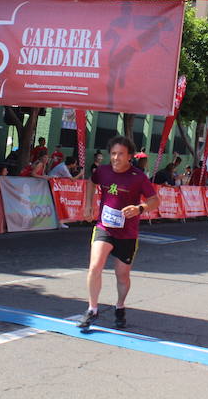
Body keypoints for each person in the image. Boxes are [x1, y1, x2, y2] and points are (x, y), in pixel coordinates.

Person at [79, 135, 160, 330]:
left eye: (120, 154)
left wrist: (139, 208)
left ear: (130, 156)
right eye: (113, 154)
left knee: (122, 275)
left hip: (128, 233)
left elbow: (154, 200)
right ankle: (92, 309)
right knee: (94, 267)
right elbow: (92, 182)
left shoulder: (138, 177)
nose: (115, 158)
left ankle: (120, 306)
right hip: (104, 227)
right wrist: (88, 204)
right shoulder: (103, 171)